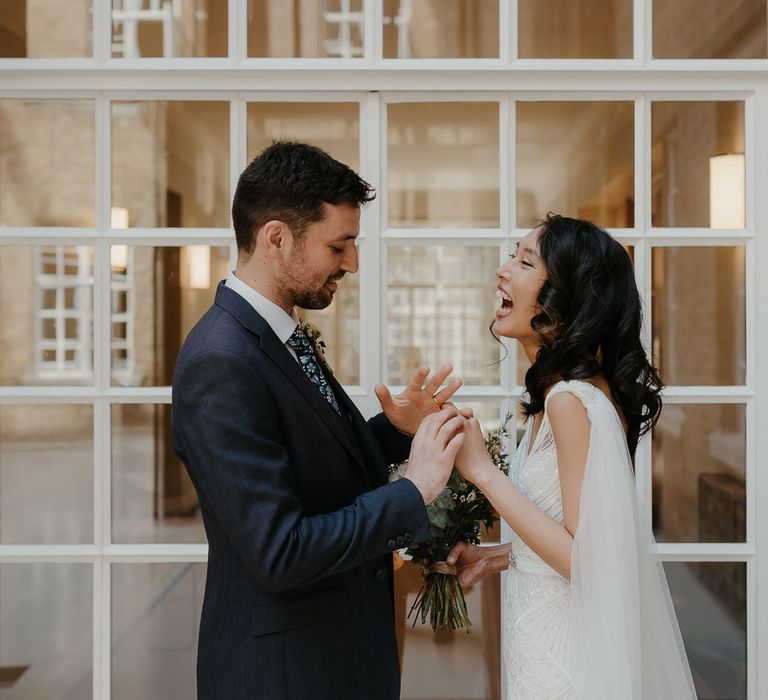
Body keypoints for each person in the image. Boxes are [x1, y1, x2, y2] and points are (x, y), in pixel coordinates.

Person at [172, 141, 466, 699]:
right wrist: (415, 489)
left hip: (331, 660)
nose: (352, 263)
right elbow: (280, 551)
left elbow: (312, 463)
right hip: (283, 674)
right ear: (276, 238)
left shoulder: (278, 332)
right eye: (340, 244)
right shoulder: (221, 361)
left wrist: (393, 430)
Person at [447, 214, 697, 699]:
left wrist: (481, 471)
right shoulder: (570, 395)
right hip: (546, 636)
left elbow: (586, 562)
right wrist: (496, 556)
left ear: (565, 299)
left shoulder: (569, 402)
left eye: (523, 261)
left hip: (564, 661)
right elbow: (579, 536)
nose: (502, 270)